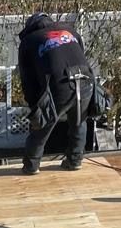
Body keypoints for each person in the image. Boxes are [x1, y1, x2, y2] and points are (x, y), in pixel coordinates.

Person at [17, 13, 91, 175]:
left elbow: (28, 79)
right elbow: (79, 55)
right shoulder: (70, 31)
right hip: (86, 79)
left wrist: (35, 105)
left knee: (42, 123)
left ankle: (31, 165)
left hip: (59, 84)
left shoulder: (29, 41)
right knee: (79, 119)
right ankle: (75, 160)